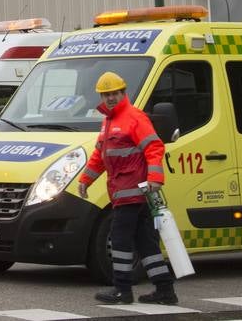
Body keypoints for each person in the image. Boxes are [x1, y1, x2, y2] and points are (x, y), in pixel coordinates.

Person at [76, 71, 177, 306]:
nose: (110, 98)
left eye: (114, 93)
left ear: (123, 93)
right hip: (128, 193)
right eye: (106, 94)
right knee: (145, 242)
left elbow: (154, 147)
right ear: (101, 97)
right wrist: (85, 180)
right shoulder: (109, 122)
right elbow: (100, 157)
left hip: (133, 192)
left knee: (120, 240)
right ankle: (165, 290)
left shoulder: (134, 117)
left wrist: (155, 177)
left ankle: (122, 290)